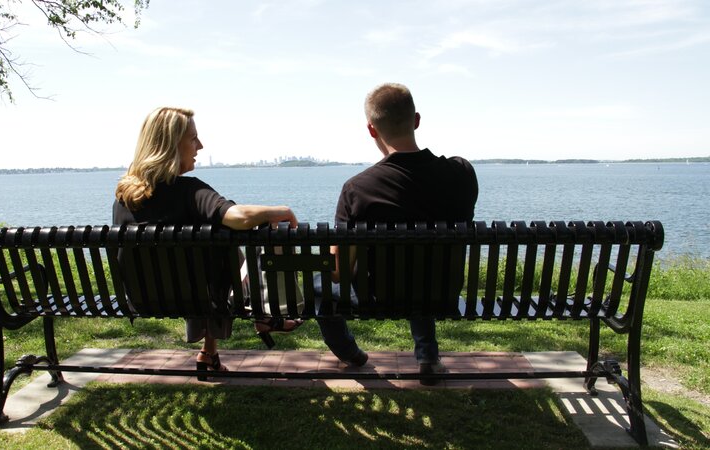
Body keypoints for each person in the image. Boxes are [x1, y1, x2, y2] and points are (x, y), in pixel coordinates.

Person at [113, 106, 302, 377]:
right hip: (200, 299)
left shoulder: (124, 198)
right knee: (224, 247)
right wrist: (280, 211)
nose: (200, 146)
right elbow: (237, 216)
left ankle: (209, 352)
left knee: (209, 249)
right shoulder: (191, 191)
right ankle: (265, 313)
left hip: (144, 300)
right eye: (193, 138)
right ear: (170, 145)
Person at [318, 83, 479, 384]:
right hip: (440, 292)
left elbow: (338, 273)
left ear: (371, 130)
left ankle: (350, 353)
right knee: (421, 268)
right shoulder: (462, 173)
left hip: (379, 298)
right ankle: (428, 357)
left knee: (321, 286)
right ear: (416, 120)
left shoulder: (357, 190)